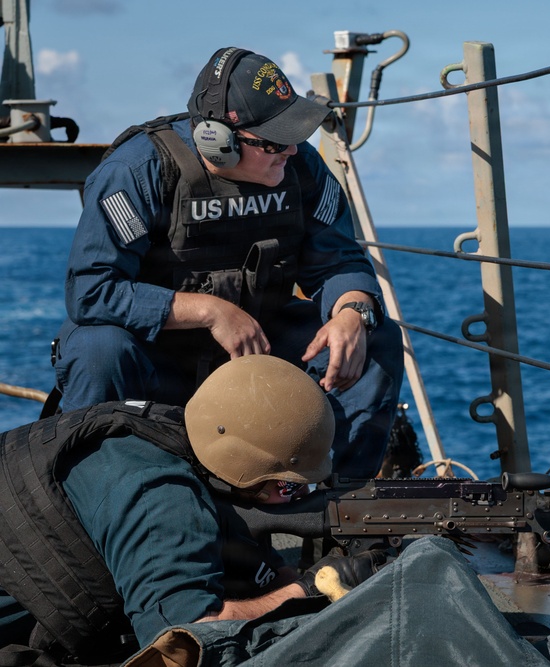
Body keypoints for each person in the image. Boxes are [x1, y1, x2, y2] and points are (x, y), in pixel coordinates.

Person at [50, 46, 403, 479]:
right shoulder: (137, 172)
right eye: (274, 141)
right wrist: (210, 311)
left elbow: (339, 259)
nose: (290, 151)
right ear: (218, 142)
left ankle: (336, 507)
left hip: (259, 348)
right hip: (157, 359)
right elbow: (92, 291)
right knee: (98, 350)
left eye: (295, 136)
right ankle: (95, 495)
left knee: (373, 338)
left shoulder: (302, 168)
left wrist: (353, 309)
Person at [0, 356, 389, 664]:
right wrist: (304, 590)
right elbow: (182, 642)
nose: (296, 497)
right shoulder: (160, 497)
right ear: (242, 467)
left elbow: (250, 560)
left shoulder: (184, 435)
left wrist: (304, 580)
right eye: (287, 485)